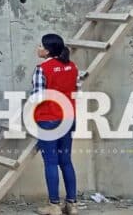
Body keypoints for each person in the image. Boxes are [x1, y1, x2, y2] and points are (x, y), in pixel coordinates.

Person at [31, 34, 80, 215]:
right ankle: (72, 204)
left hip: (49, 118)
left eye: (40, 45)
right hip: (68, 117)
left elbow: (37, 97)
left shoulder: (42, 68)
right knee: (66, 161)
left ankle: (54, 205)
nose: (38, 48)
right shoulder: (72, 66)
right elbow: (76, 90)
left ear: (47, 50)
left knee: (51, 162)